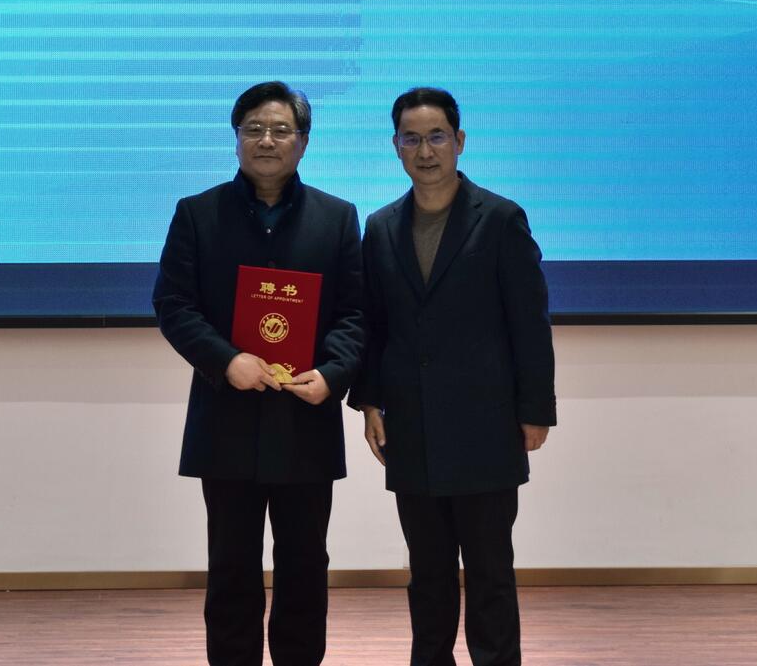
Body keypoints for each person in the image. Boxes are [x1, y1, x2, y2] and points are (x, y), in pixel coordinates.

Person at [152, 81, 363, 666]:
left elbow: (355, 313)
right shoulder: (197, 214)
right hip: (227, 420)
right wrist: (227, 360)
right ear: (237, 137)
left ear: (303, 141)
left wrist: (333, 373)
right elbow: (173, 304)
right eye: (254, 129)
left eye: (280, 130)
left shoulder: (337, 218)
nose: (266, 140)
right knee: (231, 568)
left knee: (305, 566)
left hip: (305, 419)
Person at [349, 87, 556, 666]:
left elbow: (529, 323)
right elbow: (374, 324)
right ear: (395, 146)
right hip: (411, 428)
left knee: (490, 572)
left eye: (437, 136)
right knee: (428, 574)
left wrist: (535, 410)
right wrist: (369, 402)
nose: (425, 151)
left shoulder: (501, 219)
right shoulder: (381, 226)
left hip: (486, 427)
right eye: (411, 139)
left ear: (460, 141)